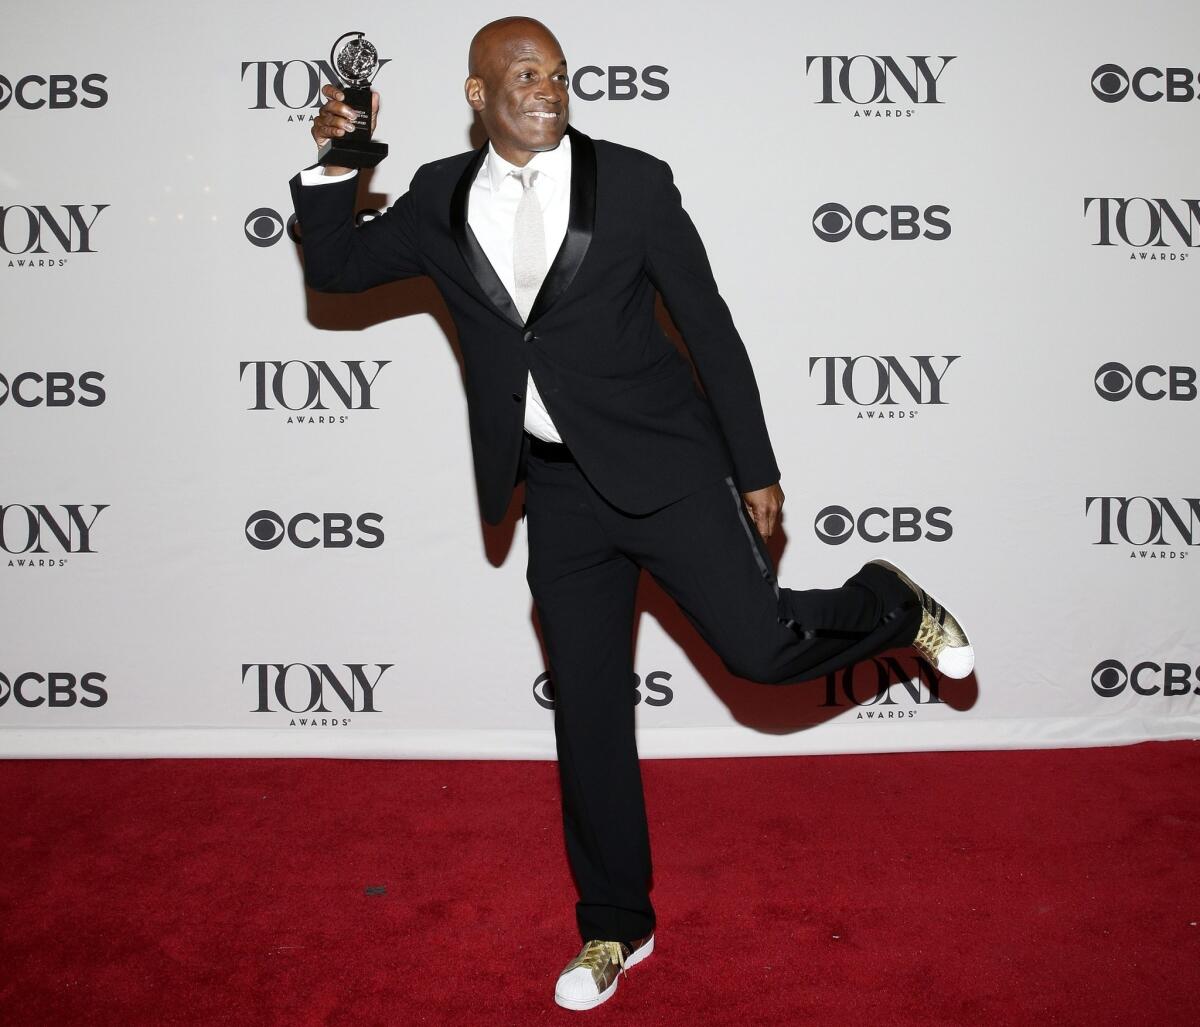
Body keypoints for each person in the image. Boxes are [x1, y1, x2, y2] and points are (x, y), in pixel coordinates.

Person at [289, 16, 974, 1012]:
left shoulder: (638, 182)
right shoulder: (439, 195)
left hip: (671, 469)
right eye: (525, 75)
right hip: (558, 493)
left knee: (763, 650)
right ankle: (615, 925)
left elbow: (709, 324)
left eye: (559, 73)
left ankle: (890, 602)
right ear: (478, 95)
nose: (549, 89)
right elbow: (336, 268)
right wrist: (341, 155)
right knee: (592, 713)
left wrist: (755, 463)